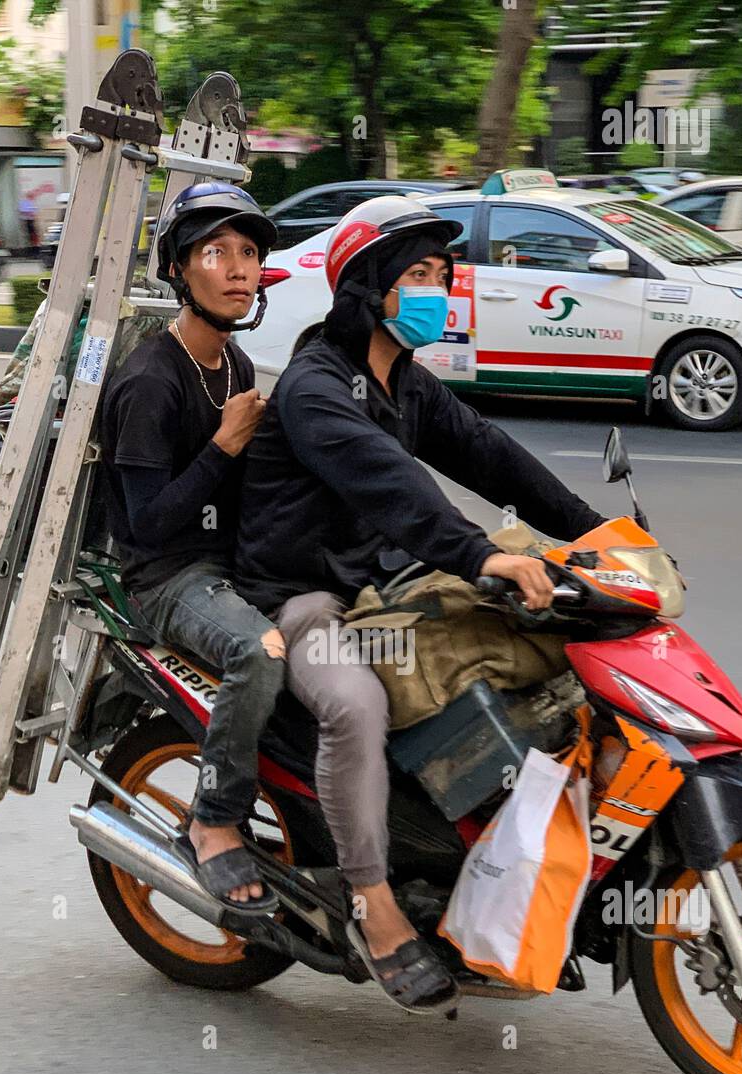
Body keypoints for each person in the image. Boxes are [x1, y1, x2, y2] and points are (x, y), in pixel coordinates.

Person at [235, 195, 608, 1011]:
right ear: (369, 287)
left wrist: (597, 533)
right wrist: (479, 555)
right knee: (355, 705)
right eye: (418, 275)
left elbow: (491, 456)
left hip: (386, 584)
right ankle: (373, 904)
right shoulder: (315, 387)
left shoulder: (402, 380)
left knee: (544, 642)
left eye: (443, 274)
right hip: (303, 598)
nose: (438, 289)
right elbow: (395, 487)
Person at [99, 182, 286, 913]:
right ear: (180, 270)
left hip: (227, 560)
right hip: (165, 579)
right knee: (258, 650)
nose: (239, 269)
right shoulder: (149, 381)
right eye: (217, 253)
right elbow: (144, 527)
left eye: (248, 253)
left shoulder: (234, 366)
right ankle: (211, 822)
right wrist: (221, 445)